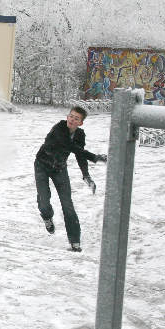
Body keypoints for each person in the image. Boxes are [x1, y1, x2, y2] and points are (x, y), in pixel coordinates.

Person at [34, 106, 107, 252]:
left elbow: (79, 154)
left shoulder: (80, 134)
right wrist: (95, 157)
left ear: (81, 123)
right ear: (67, 117)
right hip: (42, 165)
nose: (72, 120)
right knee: (43, 201)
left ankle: (75, 242)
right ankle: (47, 217)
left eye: (76, 118)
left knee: (67, 205)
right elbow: (71, 147)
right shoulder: (59, 129)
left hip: (59, 169)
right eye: (71, 116)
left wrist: (86, 175)